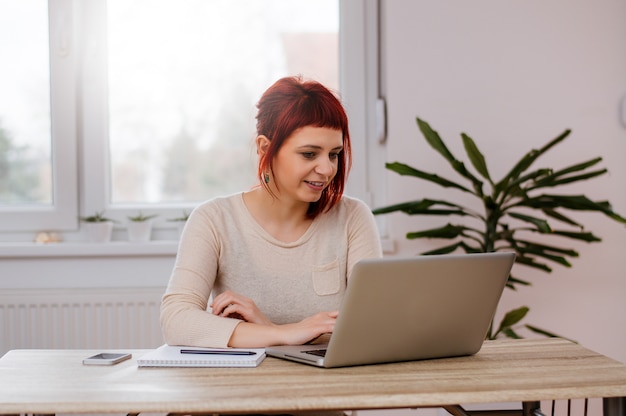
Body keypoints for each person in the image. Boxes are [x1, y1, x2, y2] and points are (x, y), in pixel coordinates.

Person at [160, 76, 382, 349]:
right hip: (243, 388)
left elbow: (371, 329)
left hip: (330, 387)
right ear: (266, 148)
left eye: (334, 154)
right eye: (309, 154)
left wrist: (269, 328)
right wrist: (285, 334)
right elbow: (176, 321)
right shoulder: (214, 220)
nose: (327, 169)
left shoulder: (353, 218)